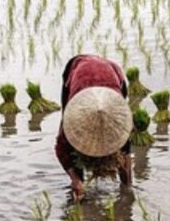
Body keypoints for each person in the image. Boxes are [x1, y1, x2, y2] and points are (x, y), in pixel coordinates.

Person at [55, 54, 133, 201]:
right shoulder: (74, 117)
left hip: (113, 72)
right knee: (72, 144)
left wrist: (127, 189)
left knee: (121, 145)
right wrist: (75, 179)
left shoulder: (120, 120)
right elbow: (61, 149)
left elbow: (125, 151)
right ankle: (79, 186)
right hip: (78, 69)